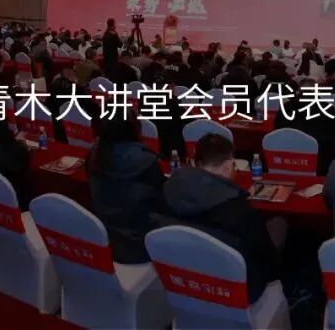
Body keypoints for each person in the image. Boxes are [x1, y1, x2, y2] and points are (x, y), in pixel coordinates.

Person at [154, 134, 280, 304]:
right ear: (228, 166)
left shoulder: (167, 192)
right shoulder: (238, 210)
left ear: (194, 163)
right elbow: (268, 263)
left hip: (184, 284)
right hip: (238, 293)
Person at [87, 116, 164, 264]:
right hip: (140, 245)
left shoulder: (94, 155)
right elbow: (159, 200)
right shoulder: (146, 161)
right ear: (134, 129)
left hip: (104, 238)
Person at [275, 78, 335, 175]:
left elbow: (277, 132)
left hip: (287, 159)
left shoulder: (285, 108)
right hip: (320, 162)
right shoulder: (327, 109)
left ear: (298, 91)